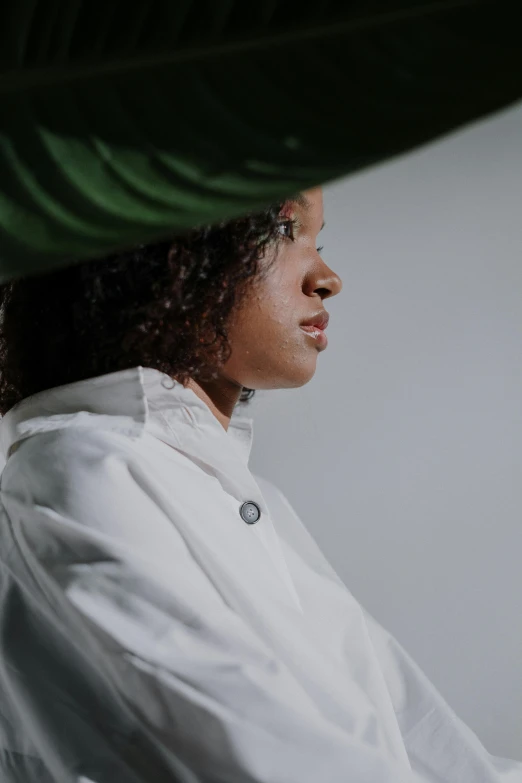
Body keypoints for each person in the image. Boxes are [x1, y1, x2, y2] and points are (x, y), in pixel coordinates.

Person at [0, 187, 519, 783]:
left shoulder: (248, 500)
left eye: (317, 240)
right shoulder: (78, 469)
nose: (327, 278)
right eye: (281, 231)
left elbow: (429, 749)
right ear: (166, 252)